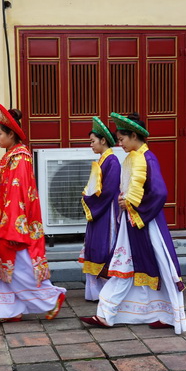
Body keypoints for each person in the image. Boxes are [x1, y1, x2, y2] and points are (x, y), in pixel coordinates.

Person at [80, 112, 186, 334]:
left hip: (146, 222)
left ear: (135, 135)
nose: (119, 143)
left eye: (122, 139)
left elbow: (159, 192)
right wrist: (124, 200)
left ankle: (157, 314)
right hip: (132, 222)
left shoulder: (148, 158)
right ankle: (116, 313)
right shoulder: (132, 158)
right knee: (126, 265)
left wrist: (134, 207)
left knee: (157, 266)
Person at [0, 105, 66, 323]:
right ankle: (6, 310)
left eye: (0, 134)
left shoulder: (20, 158)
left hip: (16, 222)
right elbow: (6, 190)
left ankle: (51, 298)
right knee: (10, 265)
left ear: (11, 133)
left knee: (19, 266)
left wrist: (12, 227)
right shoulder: (10, 157)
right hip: (8, 218)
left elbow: (18, 193)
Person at [78, 116, 121, 301]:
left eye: (93, 141)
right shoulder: (104, 160)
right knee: (95, 246)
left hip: (106, 210)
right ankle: (96, 292)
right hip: (99, 209)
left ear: (103, 140)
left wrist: (90, 201)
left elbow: (108, 190)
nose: (91, 145)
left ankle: (105, 291)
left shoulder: (112, 162)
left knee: (104, 246)